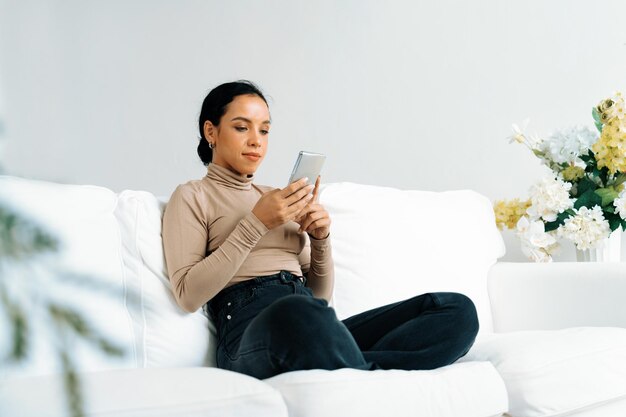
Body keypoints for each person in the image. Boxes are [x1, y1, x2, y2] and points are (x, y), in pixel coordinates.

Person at [161, 80, 479, 380]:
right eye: (242, 127)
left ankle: (354, 371)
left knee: (455, 309)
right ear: (210, 131)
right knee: (298, 312)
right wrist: (256, 224)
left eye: (265, 130)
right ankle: (360, 372)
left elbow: (320, 298)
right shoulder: (192, 195)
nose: (256, 140)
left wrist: (320, 239)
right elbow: (188, 295)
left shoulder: (277, 197)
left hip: (311, 323)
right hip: (250, 333)